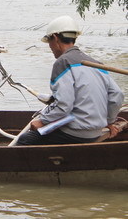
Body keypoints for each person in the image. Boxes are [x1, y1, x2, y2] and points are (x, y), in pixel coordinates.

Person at [16, 15, 125, 146]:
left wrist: (43, 121)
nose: (49, 47)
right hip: (96, 131)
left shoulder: (62, 63)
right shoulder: (96, 63)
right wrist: (109, 121)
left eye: (49, 41)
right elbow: (117, 95)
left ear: (55, 38)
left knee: (25, 140)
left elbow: (64, 105)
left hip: (75, 133)